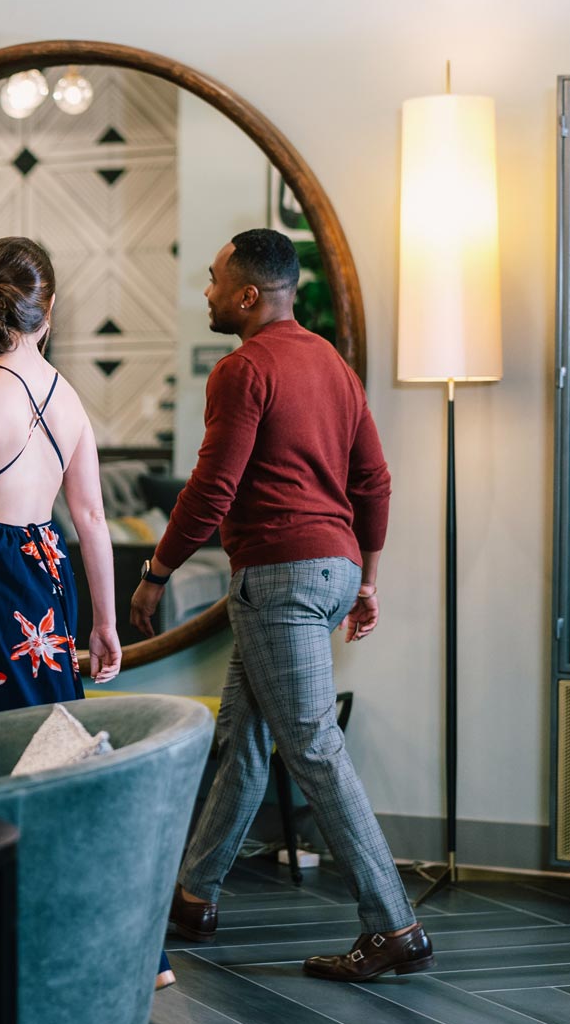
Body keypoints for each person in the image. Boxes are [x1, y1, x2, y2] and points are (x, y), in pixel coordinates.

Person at [131, 229, 432, 982]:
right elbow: (375, 480)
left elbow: (212, 488)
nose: (204, 292)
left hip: (281, 578)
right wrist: (366, 579)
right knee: (242, 736)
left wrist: (157, 569)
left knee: (314, 747)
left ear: (246, 294)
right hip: (328, 571)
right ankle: (194, 896)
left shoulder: (243, 369)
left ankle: (393, 923)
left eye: (211, 279)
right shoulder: (330, 362)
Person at [0, 236, 177, 989]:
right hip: (51, 578)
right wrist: (104, 624)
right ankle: (125, 940)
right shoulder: (69, 397)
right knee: (58, 750)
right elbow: (89, 518)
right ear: (47, 313)